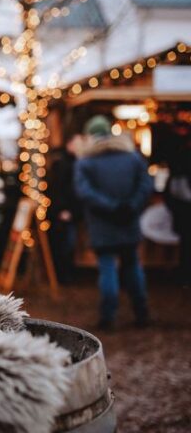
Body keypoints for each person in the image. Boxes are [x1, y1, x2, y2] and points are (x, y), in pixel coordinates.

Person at [74, 115, 152, 330]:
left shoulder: (86, 162)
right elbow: (146, 185)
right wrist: (130, 206)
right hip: (128, 221)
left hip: (102, 224)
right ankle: (141, 312)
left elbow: (85, 192)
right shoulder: (132, 158)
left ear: (91, 136)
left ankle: (108, 317)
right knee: (133, 267)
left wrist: (111, 207)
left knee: (107, 269)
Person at [47, 134, 83, 284]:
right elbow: (59, 189)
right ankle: (64, 275)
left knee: (68, 243)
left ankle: (66, 274)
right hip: (64, 211)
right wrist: (62, 209)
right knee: (65, 244)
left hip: (69, 210)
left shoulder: (73, 162)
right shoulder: (63, 163)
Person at [164, 148, 191, 285]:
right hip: (184, 215)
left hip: (183, 215)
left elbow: (170, 196)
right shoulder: (179, 178)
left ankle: (185, 273)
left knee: (185, 246)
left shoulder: (177, 178)